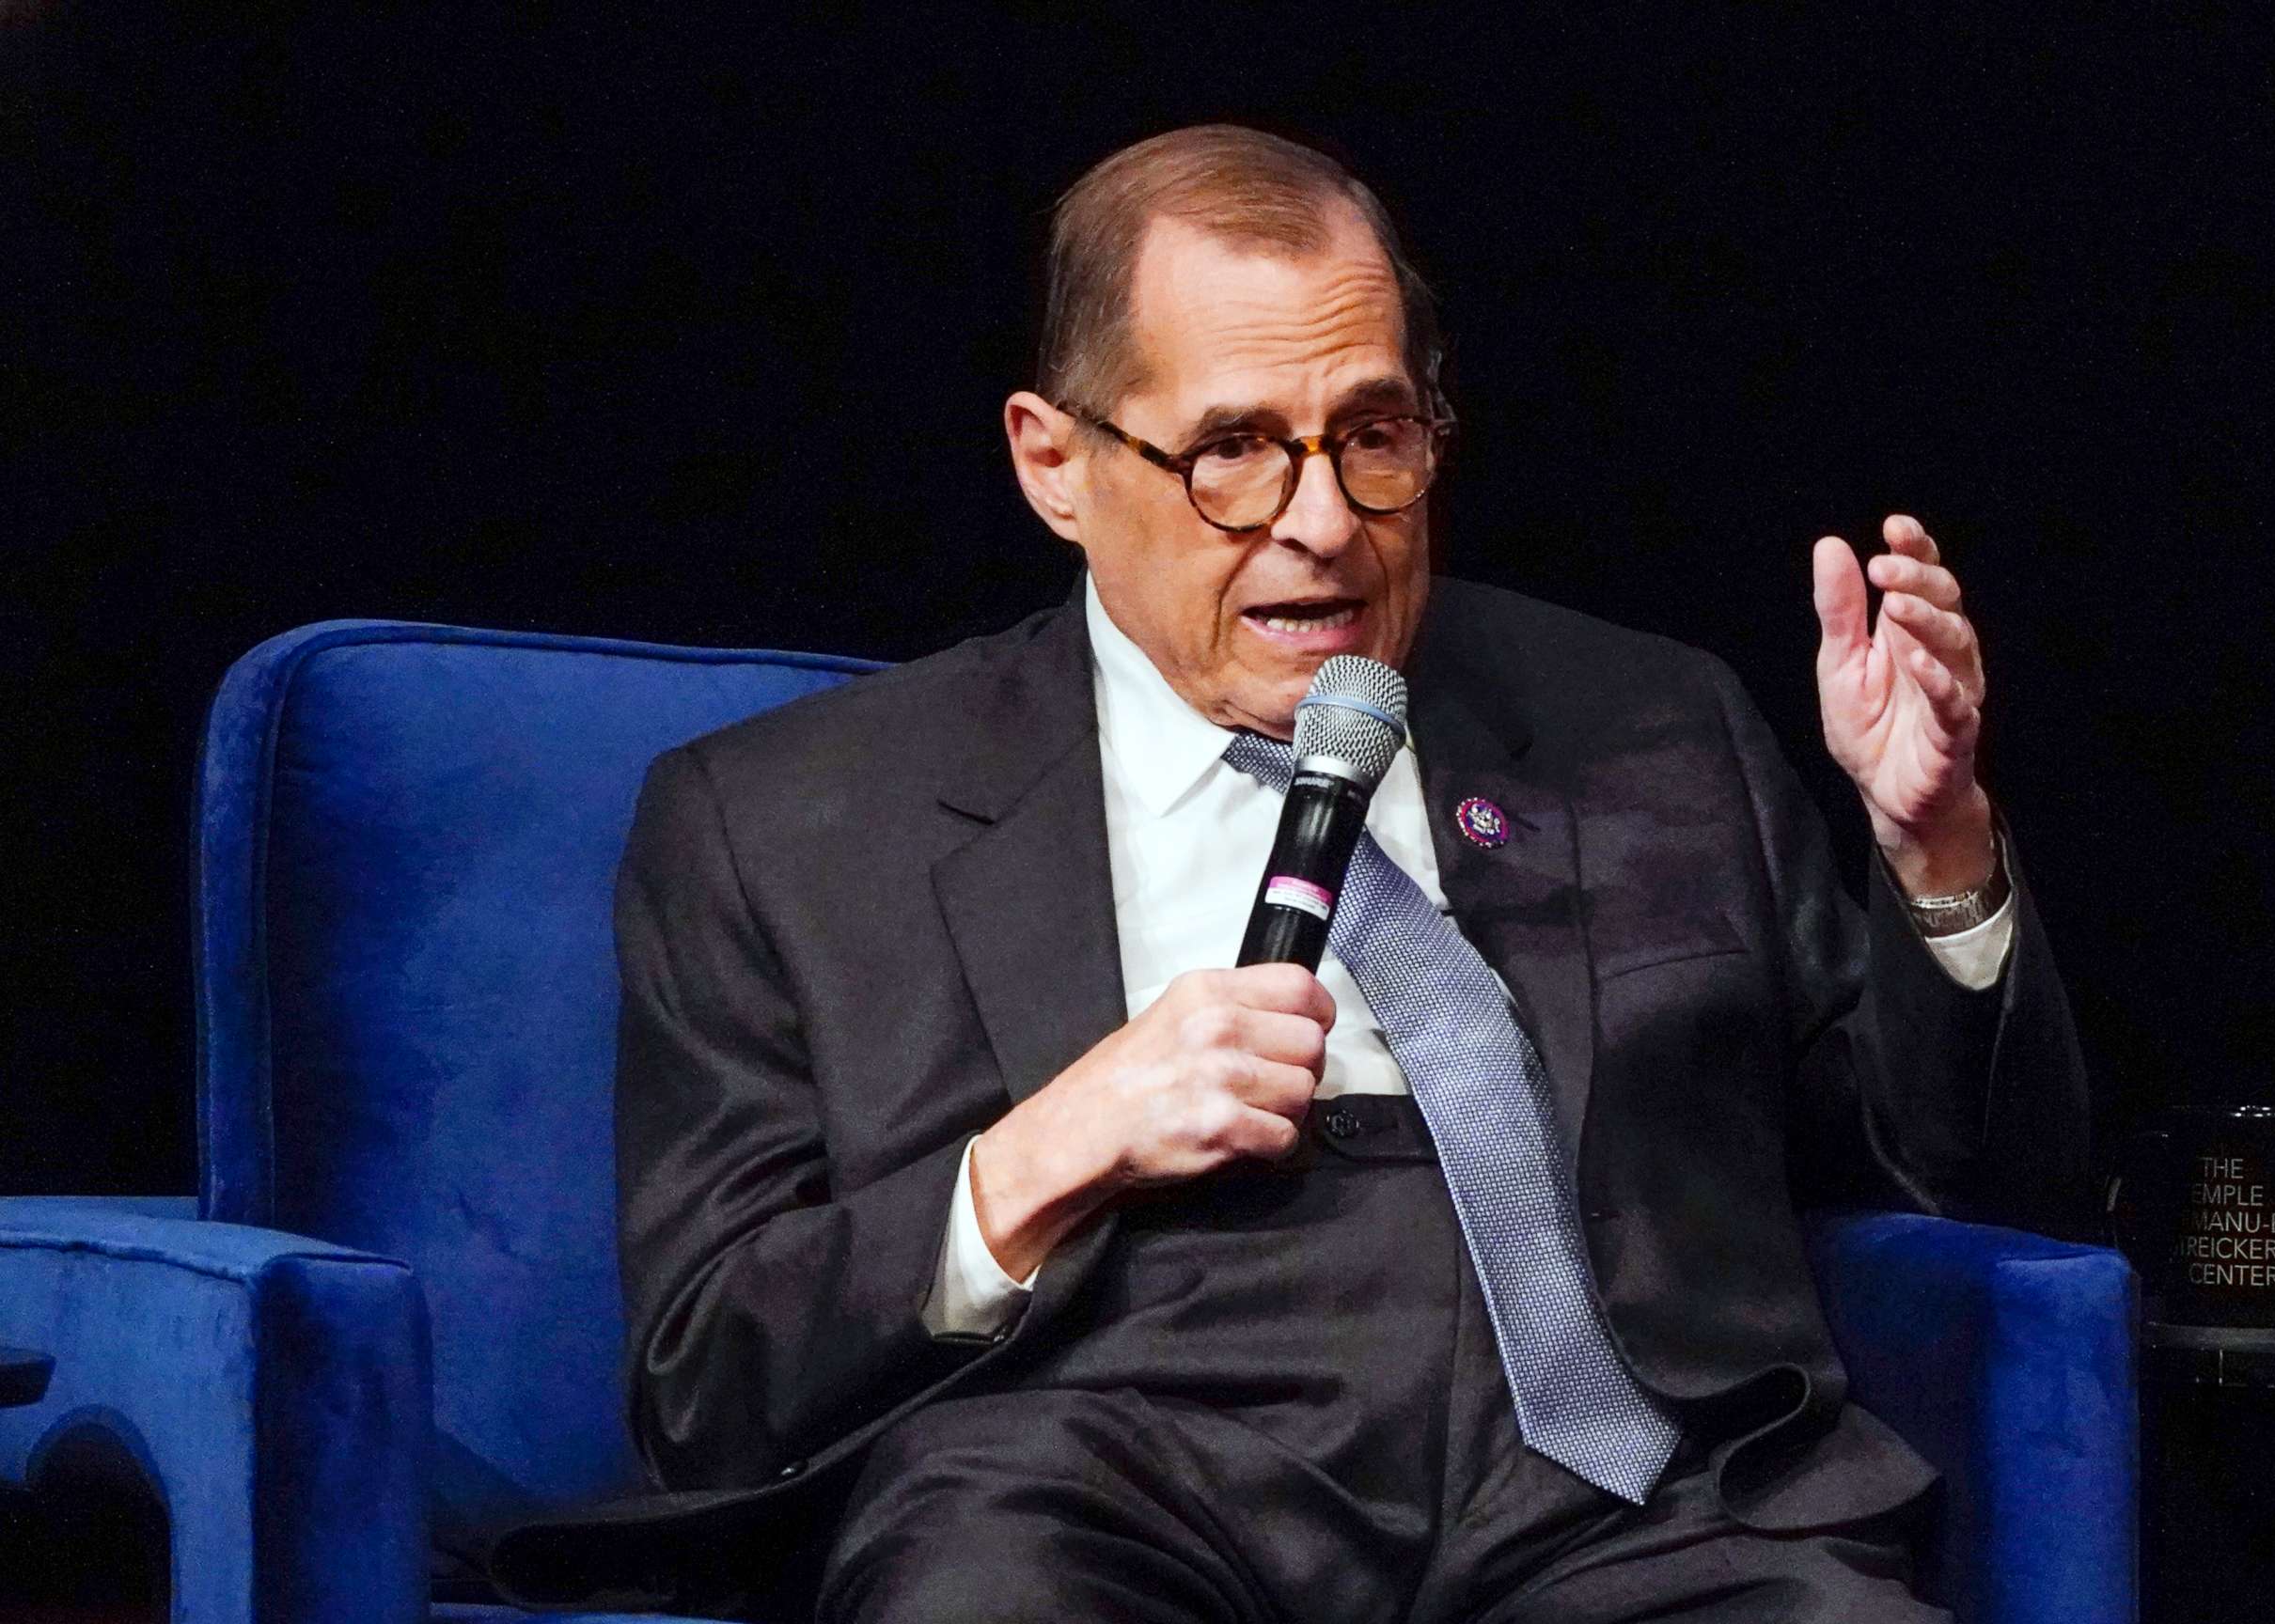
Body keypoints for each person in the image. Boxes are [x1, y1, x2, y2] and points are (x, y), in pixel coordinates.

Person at [488, 125, 2091, 1621]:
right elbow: (702, 1387)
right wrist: (1042, 1153)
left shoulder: (1651, 727)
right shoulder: (786, 823)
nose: (1322, 523)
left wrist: (1934, 854)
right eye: (1235, 451)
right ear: (1055, 464)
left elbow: (1958, 1185)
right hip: (1092, 1479)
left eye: (1374, 436)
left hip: (1639, 1498)